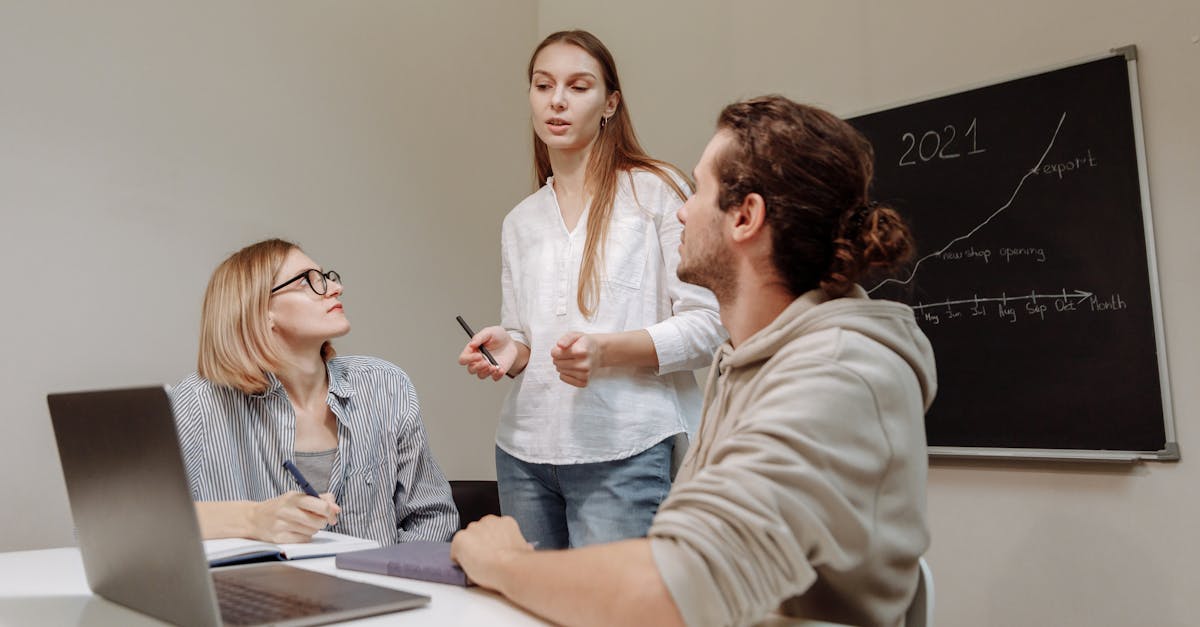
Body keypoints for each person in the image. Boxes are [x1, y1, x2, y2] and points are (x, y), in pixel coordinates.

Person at [451, 96, 937, 627]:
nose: (682, 209)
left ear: (745, 217)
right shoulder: (751, 361)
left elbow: (670, 594)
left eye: (699, 189)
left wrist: (504, 562)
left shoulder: (836, 374)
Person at [457, 30, 726, 549]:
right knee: (530, 597)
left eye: (578, 87)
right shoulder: (520, 221)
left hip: (625, 449)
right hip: (523, 453)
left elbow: (708, 325)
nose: (556, 100)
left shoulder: (655, 190)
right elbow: (525, 336)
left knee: (613, 599)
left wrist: (606, 351)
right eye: (543, 86)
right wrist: (511, 350)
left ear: (610, 103)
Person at [171, 238, 459, 546]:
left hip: (380, 578)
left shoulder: (386, 386)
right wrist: (252, 519)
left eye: (325, 277)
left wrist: (395, 573)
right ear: (260, 310)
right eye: (307, 281)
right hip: (264, 579)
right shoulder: (200, 401)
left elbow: (433, 517)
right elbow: (154, 523)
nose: (335, 288)